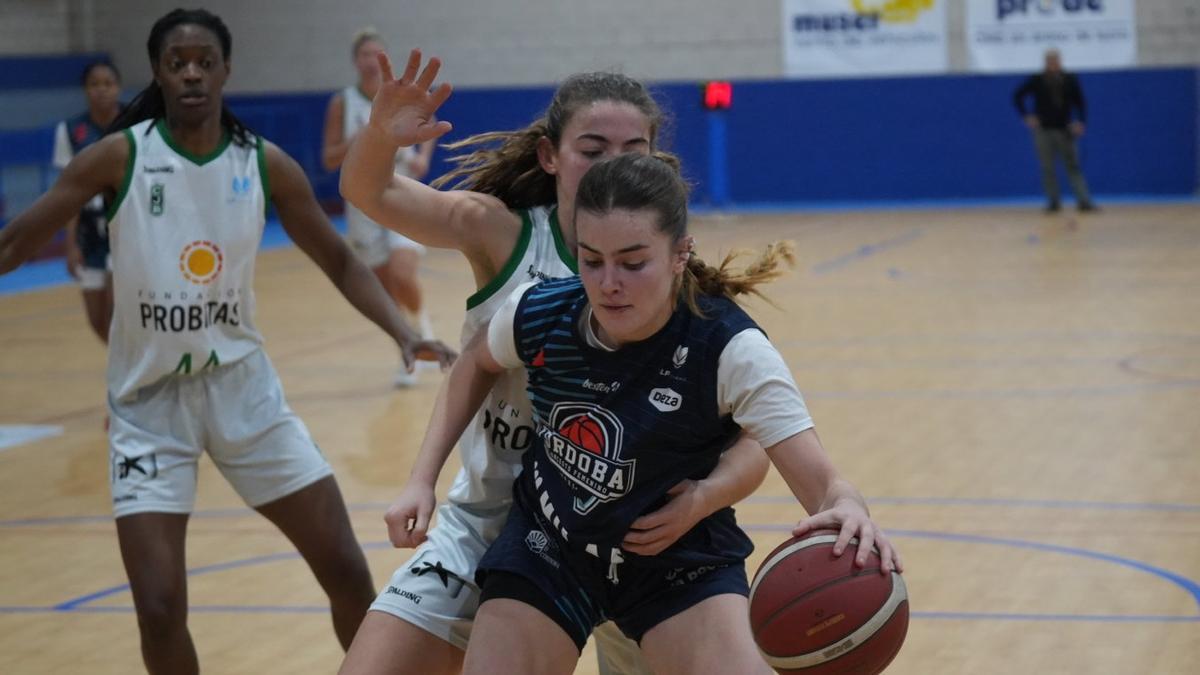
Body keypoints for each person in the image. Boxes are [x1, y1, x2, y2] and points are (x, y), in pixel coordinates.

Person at [0, 10, 455, 675]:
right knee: (158, 606)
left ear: (224, 71)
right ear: (158, 72)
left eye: (203, 61)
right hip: (148, 406)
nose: (190, 72)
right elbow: (14, 242)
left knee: (346, 569)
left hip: (245, 392)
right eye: (176, 62)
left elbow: (341, 259)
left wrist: (404, 330)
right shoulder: (121, 156)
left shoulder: (262, 163)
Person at [337, 50, 770, 675]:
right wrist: (381, 136)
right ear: (550, 156)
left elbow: (755, 431)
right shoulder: (503, 233)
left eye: (633, 150)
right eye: (592, 149)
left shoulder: (666, 268)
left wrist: (705, 497)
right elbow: (367, 190)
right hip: (496, 521)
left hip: (637, 536)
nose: (614, 166)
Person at [407, 152, 902, 674]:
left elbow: (826, 485)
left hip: (675, 565)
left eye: (633, 261)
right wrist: (423, 477)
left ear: (679, 253)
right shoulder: (541, 310)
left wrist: (849, 510)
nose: (608, 283)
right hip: (550, 546)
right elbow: (474, 361)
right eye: (591, 260)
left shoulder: (730, 348)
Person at [323, 28, 437, 386]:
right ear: (355, 60)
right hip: (361, 201)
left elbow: (428, 119)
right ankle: (411, 347)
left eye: (377, 53)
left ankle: (421, 331)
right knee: (387, 287)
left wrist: (422, 155)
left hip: (401, 190)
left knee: (404, 274)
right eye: (364, 54)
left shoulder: (399, 93)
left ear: (385, 58)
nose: (371, 60)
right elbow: (328, 159)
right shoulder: (343, 103)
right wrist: (366, 135)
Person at [52, 59, 123, 342]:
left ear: (118, 87)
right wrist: (70, 245)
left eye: (108, 83)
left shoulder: (136, 122)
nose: (102, 90)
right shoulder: (71, 130)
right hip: (90, 233)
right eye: (95, 84)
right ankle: (125, 367)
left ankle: (134, 378)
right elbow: (67, 196)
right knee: (97, 322)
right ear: (85, 90)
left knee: (117, 311)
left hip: (125, 228)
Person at [1013, 49, 1097, 213]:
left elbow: (1080, 102)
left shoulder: (1070, 79)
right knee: (1048, 167)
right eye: (1049, 61)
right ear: (1045, 63)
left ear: (1060, 62)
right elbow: (1017, 96)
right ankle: (1053, 202)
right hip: (1043, 130)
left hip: (1065, 129)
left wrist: (1080, 121)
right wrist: (1026, 116)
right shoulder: (1037, 80)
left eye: (1055, 61)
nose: (1053, 64)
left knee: (1073, 165)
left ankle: (1084, 201)